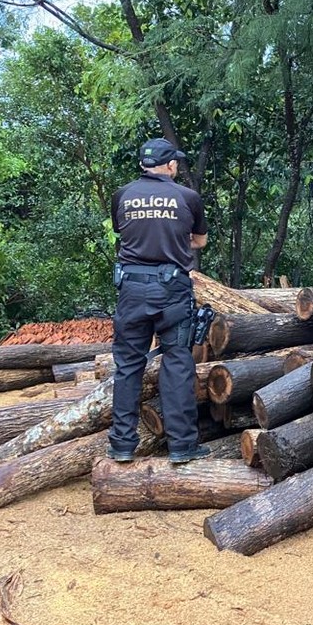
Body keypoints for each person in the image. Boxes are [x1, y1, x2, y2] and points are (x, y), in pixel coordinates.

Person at [107, 137, 210, 464]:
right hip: (172, 292)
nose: (176, 166)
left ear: (142, 165)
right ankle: (182, 446)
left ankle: (122, 445)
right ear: (169, 166)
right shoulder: (187, 197)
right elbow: (200, 241)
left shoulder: (121, 196)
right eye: (175, 162)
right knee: (177, 361)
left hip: (132, 290)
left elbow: (123, 232)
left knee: (127, 366)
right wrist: (174, 242)